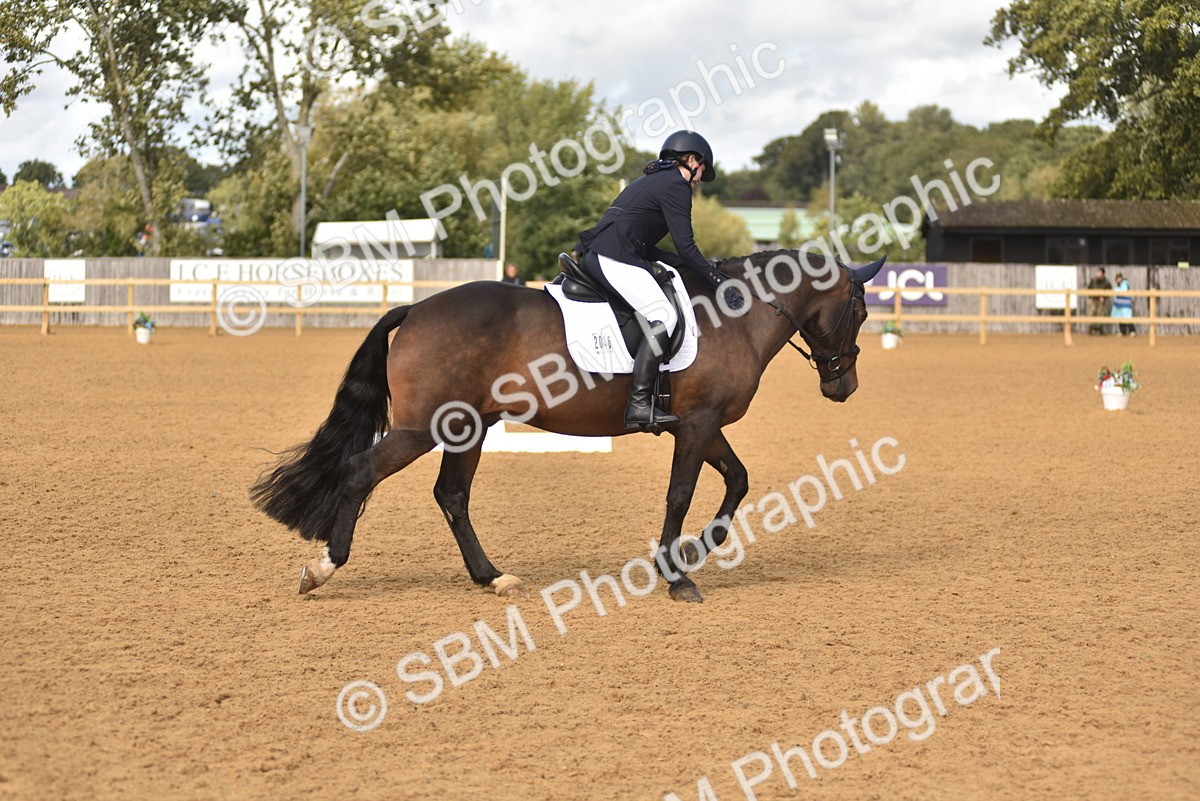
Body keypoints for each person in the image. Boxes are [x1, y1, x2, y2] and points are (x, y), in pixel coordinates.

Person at [572, 130, 724, 432]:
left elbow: (648, 246)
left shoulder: (650, 180)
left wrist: (691, 266)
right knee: (663, 315)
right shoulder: (676, 185)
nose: (699, 178)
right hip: (612, 256)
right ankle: (639, 405)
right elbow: (687, 245)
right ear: (693, 160)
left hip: (603, 253)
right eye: (701, 170)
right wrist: (717, 279)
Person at [1086, 267, 1112, 335]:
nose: (1098, 274)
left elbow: (1110, 291)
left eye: (1099, 273)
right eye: (1097, 272)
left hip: (1101, 301)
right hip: (1093, 299)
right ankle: (1090, 329)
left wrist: (1104, 297)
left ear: (1103, 274)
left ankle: (1100, 329)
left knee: (1101, 314)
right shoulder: (1093, 280)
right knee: (1091, 313)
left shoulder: (1106, 282)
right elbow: (1089, 288)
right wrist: (1089, 297)